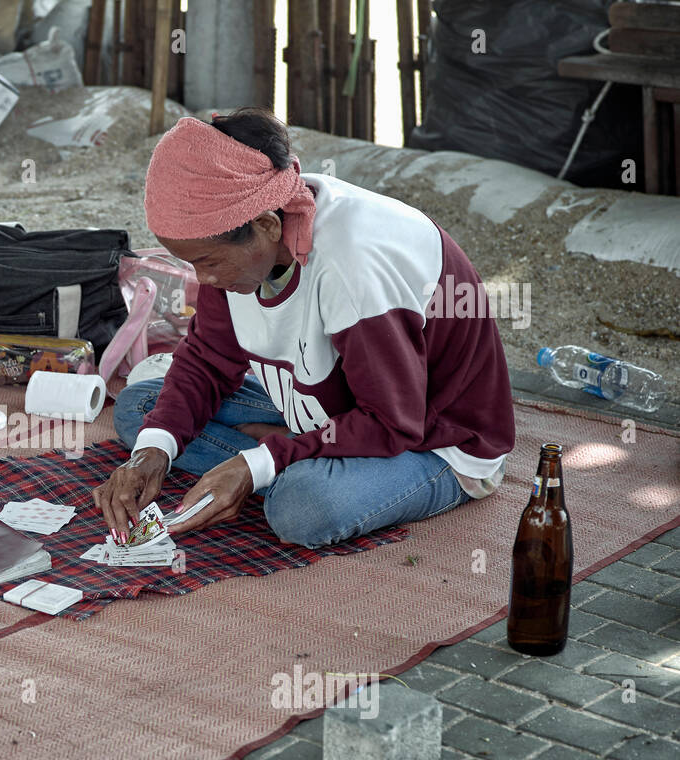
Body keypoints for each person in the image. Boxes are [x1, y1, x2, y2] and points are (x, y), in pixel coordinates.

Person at [93, 109, 515, 549]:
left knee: (301, 507)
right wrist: (150, 454)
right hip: (331, 408)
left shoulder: (353, 268)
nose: (204, 281)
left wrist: (260, 462)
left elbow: (393, 422)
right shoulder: (240, 223)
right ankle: (289, 457)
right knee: (142, 411)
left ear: (267, 227)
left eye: (208, 263)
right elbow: (206, 360)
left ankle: (284, 465)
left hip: (432, 438)